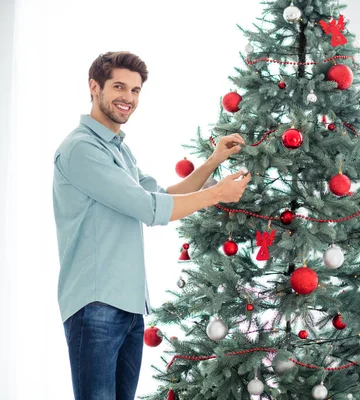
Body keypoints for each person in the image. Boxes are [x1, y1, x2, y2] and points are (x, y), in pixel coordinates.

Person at [53, 51, 251, 400]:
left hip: (129, 308)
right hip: (96, 306)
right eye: (118, 86)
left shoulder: (119, 151)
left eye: (135, 90)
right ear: (93, 87)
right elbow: (151, 209)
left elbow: (162, 194)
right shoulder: (82, 150)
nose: (128, 98)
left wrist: (214, 161)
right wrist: (219, 193)